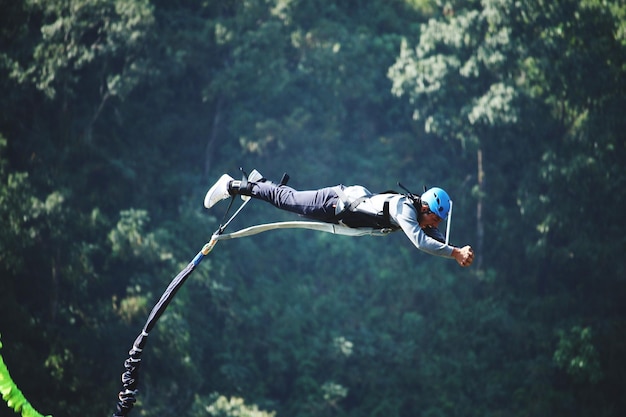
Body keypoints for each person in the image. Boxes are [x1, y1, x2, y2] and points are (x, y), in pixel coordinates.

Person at [204, 172, 474, 267]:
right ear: (426, 208)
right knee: (286, 200)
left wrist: (458, 250)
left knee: (289, 202)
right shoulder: (405, 210)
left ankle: (260, 182)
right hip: (334, 203)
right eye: (434, 220)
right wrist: (454, 253)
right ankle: (234, 185)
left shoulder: (419, 215)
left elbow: (432, 237)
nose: (434, 227)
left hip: (341, 210)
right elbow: (421, 242)